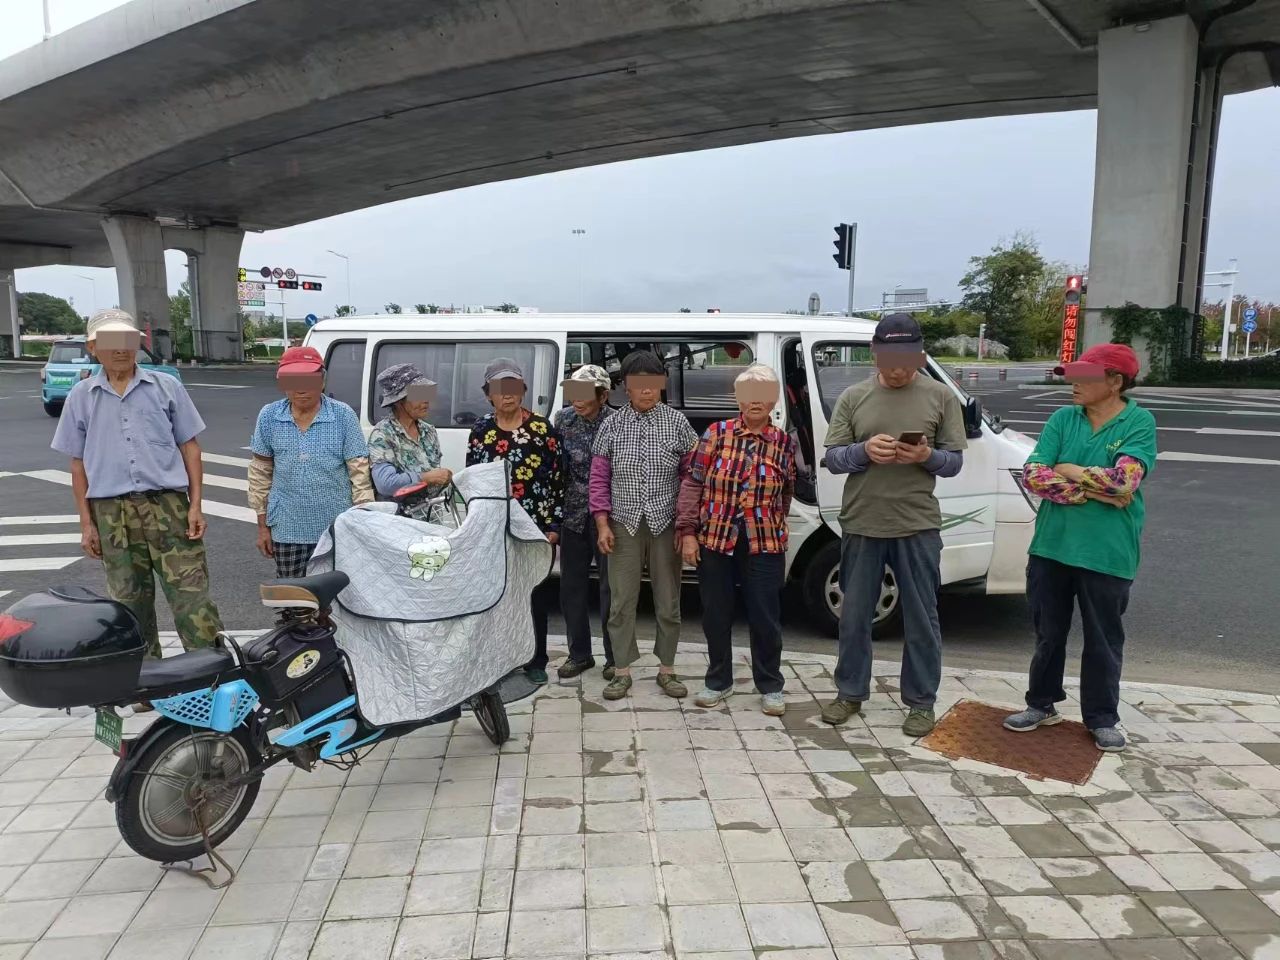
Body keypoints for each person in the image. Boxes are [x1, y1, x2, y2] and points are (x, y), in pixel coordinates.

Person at [819, 314, 967, 736]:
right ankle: (849, 692)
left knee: (922, 617)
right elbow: (832, 458)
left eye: (907, 359)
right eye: (890, 359)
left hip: (917, 523)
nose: (898, 369)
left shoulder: (941, 396)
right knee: (854, 616)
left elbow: (954, 462)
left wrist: (926, 457)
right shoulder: (854, 397)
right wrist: (864, 451)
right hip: (862, 521)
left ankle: (921, 702)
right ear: (874, 353)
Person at [1004, 343, 1156, 753]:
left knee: (1103, 638)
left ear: (1115, 382)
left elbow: (1124, 482)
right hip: (1051, 547)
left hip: (1107, 553)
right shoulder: (1062, 418)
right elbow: (1033, 474)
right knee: (1048, 633)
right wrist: (1093, 492)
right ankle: (1041, 703)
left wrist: (1068, 469)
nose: (1073, 384)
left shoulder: (1138, 422)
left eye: (1084, 377)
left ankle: (1102, 717)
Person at [51, 308, 223, 659]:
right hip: (112, 513)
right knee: (129, 603)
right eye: (110, 342)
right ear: (93, 347)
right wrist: (86, 524)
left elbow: (190, 448)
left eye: (126, 341)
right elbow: (78, 465)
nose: (120, 349)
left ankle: (211, 675)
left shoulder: (166, 387)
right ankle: (146, 677)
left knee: (192, 596)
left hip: (168, 506)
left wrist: (195, 506)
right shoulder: (81, 396)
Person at [677, 363, 797, 716]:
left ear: (773, 399)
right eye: (748, 394)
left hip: (765, 542)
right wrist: (688, 533)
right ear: (738, 399)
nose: (755, 401)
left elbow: (786, 492)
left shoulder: (783, 442)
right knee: (716, 614)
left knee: (765, 616)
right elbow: (693, 484)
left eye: (763, 394)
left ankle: (770, 685)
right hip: (715, 538)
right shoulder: (716, 433)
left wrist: (775, 523)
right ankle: (718, 680)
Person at [590, 350, 699, 700]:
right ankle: (621, 671)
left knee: (668, 601)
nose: (647, 391)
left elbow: (691, 478)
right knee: (621, 602)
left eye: (653, 383)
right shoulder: (611, 425)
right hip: (623, 524)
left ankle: (667, 669)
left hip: (666, 523)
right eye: (639, 384)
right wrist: (602, 523)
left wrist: (686, 527)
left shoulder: (678, 424)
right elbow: (599, 479)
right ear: (626, 386)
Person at [466, 358, 564, 685]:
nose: (507, 395)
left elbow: (557, 481)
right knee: (499, 594)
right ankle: (505, 659)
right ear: (489, 394)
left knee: (535, 594)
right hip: (493, 528)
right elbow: (472, 481)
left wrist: (552, 527)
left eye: (513, 388)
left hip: (534, 527)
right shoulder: (481, 431)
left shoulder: (542, 429)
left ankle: (536, 659)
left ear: (522, 391)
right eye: (499, 389)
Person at [248, 346, 374, 579]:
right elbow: (260, 474)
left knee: (337, 594)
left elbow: (359, 474)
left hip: (336, 526)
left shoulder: (343, 415)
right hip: (287, 527)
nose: (301, 388)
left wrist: (363, 522)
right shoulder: (269, 416)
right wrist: (262, 527)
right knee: (293, 595)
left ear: (322, 381)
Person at [554, 364, 617, 680]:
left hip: (608, 517)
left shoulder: (617, 422)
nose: (577, 400)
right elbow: (557, 468)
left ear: (603, 396)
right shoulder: (563, 420)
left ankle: (614, 656)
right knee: (572, 588)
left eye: (584, 393)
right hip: (573, 515)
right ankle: (579, 654)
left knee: (611, 589)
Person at [369, 363, 453, 520]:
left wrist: (443, 478)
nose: (426, 401)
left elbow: (434, 473)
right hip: (400, 523)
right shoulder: (383, 435)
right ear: (399, 401)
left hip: (431, 519)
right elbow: (385, 484)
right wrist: (425, 477)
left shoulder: (428, 431)